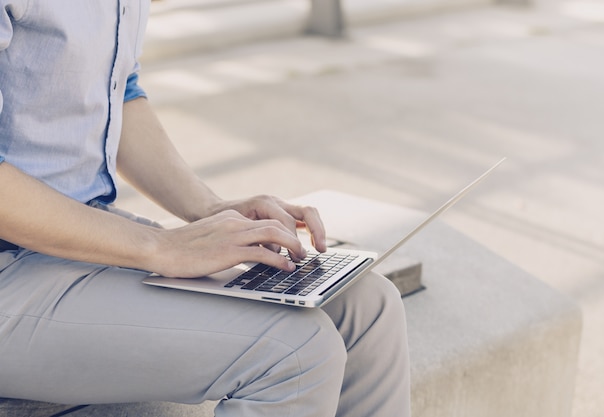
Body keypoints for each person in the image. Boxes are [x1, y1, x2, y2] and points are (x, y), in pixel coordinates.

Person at [0, 2, 411, 416]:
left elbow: (114, 92)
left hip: (85, 235)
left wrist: (211, 209)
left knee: (368, 306)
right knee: (296, 355)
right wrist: (160, 246)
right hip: (9, 267)